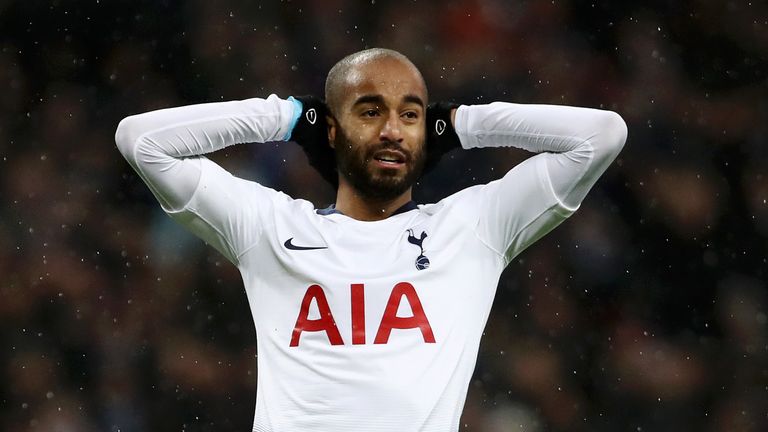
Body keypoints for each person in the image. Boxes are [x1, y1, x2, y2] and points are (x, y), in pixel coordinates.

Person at [115, 48, 627, 432]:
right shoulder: (271, 228)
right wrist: (289, 117)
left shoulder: (471, 227)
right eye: (369, 111)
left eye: (410, 114)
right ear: (332, 132)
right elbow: (142, 142)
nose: (392, 130)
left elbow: (601, 135)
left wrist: (461, 123)